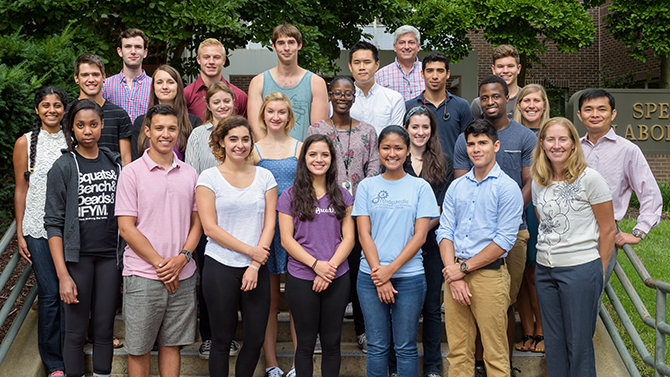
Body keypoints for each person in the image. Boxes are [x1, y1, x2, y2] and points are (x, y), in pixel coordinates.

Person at [453, 75, 536, 375]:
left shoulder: (525, 137)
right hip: (473, 235)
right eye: (485, 97)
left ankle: (502, 364)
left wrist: (510, 214)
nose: (490, 102)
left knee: (504, 299)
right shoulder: (467, 137)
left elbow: (530, 181)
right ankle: (477, 363)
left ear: (506, 99)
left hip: (512, 231)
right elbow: (462, 185)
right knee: (474, 307)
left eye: (496, 97)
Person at [115, 104, 201, 377]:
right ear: (148, 131)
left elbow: (197, 222)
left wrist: (182, 258)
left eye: (172, 128)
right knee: (138, 348)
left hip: (183, 275)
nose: (166, 134)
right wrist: (162, 265)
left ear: (179, 132)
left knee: (171, 345)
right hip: (143, 275)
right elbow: (126, 228)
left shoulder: (190, 173)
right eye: (160, 128)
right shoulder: (131, 173)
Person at [436, 118, 523, 377]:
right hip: (455, 273)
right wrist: (454, 273)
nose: (476, 148)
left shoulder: (507, 188)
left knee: (494, 353)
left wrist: (461, 269)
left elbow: (504, 241)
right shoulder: (457, 186)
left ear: (495, 146)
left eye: (482, 143)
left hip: (489, 276)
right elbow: (445, 231)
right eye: (471, 143)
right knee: (458, 352)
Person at [531, 117, 616, 376]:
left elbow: (608, 229)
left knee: (578, 344)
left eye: (563, 139)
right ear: (542, 144)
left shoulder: (590, 178)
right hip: (545, 270)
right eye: (550, 139)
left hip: (580, 269)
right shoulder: (539, 181)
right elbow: (544, 223)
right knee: (554, 343)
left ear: (572, 144)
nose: (556, 145)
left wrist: (598, 270)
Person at [352, 126, 439, 377]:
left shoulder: (420, 187)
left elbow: (420, 236)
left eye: (399, 148)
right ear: (378, 150)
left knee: (406, 347)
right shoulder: (367, 187)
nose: (392, 153)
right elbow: (363, 234)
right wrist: (380, 274)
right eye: (386, 148)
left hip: (410, 277)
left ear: (408, 150)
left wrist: (389, 271)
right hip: (371, 278)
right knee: (377, 347)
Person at [44, 99, 122, 377]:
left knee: (104, 328)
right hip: (78, 259)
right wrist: (63, 275)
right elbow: (53, 225)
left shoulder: (116, 163)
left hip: (109, 258)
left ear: (102, 125)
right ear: (71, 128)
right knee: (75, 332)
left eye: (93, 124)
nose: (87, 131)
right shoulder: (63, 166)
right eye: (80, 125)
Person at [195, 115, 277, 377]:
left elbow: (269, 224)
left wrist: (254, 263)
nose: (240, 145)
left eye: (245, 139)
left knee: (254, 340)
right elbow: (210, 228)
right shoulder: (209, 178)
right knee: (221, 341)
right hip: (220, 266)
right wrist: (250, 251)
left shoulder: (265, 176)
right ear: (221, 141)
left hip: (256, 268)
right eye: (233, 139)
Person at [307, 75, 380, 354]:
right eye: (337, 93)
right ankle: (314, 332)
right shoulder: (317, 128)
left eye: (348, 93)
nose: (342, 97)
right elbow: (312, 163)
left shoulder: (368, 131)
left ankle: (361, 330)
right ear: (329, 95)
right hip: (324, 211)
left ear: (354, 97)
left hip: (358, 211)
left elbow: (374, 169)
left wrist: (353, 197)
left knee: (358, 270)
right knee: (324, 268)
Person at [278, 134, 355, 377]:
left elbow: (350, 238)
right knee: (305, 344)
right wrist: (315, 265)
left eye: (325, 154)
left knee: (332, 342)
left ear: (332, 159)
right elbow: (286, 240)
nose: (318, 159)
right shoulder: (289, 196)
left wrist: (328, 268)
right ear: (304, 159)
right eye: (312, 154)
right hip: (301, 277)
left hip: (337, 277)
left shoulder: (343, 195)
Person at [577, 89, 662, 284]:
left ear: (613, 114)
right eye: (588, 109)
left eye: (602, 109)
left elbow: (650, 193)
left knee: (592, 291)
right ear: (580, 115)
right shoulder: (573, 148)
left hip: (604, 233)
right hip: (571, 230)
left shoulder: (628, 150)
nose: (595, 114)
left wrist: (639, 231)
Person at [13, 86, 69, 377]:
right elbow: (21, 189)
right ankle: (54, 363)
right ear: (37, 109)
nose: (51, 110)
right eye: (45, 105)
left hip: (68, 228)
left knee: (69, 291)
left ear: (64, 108)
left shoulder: (71, 137)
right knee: (49, 293)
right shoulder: (25, 142)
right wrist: (21, 232)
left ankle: (68, 351)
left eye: (57, 105)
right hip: (36, 228)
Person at [185, 81, 238, 359]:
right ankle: (209, 337)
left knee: (235, 280)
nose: (222, 106)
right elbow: (192, 177)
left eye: (226, 102)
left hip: (238, 219)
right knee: (211, 281)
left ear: (234, 103)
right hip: (208, 220)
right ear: (208, 105)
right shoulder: (197, 135)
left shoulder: (242, 133)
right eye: (216, 102)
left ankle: (229, 336)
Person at [251, 92, 301, 377]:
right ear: (264, 115)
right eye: (271, 111)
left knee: (296, 302)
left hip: (295, 231)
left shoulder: (301, 147)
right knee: (269, 302)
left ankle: (297, 363)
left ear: (289, 116)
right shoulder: (254, 150)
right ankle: (271, 363)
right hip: (266, 230)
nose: (276, 117)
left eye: (281, 111)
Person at [402, 106, 453, 377]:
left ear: (432, 130)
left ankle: (432, 365)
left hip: (432, 246)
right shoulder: (397, 159)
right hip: (399, 247)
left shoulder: (443, 161)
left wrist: (419, 231)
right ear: (406, 128)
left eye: (425, 127)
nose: (420, 132)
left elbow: (443, 206)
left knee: (432, 307)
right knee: (402, 309)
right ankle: (400, 363)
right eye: (415, 127)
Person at [512, 84, 550, 353]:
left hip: (541, 209)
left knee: (536, 272)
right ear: (518, 105)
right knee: (520, 273)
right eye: (526, 100)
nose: (531, 105)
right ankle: (526, 330)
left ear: (545, 104)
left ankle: (542, 329)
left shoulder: (553, 133)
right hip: (515, 207)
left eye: (537, 100)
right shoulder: (511, 134)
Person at [247, 23, 329, 141]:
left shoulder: (316, 83)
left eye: (291, 42)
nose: (286, 48)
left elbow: (317, 130)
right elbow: (256, 128)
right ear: (274, 46)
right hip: (268, 156)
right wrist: (268, 155)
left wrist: (303, 155)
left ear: (299, 45)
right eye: (281, 43)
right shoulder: (258, 82)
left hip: (303, 155)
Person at [405, 52, 473, 159]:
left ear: (448, 74)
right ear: (422, 74)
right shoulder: (409, 106)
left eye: (440, 71)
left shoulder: (462, 106)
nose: (435, 76)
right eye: (430, 71)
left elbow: (469, 143)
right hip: (418, 170)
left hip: (452, 171)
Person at [72, 53, 132, 165]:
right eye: (85, 75)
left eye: (95, 74)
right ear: (76, 78)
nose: (91, 79)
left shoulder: (119, 115)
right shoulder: (67, 113)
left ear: (103, 77)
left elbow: (126, 161)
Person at [133, 64, 201, 161]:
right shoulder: (140, 123)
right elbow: (135, 161)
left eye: (170, 82)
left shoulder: (193, 122)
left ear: (178, 86)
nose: (164, 87)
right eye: (159, 82)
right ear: (153, 87)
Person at [348, 41, 405, 137]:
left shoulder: (394, 98)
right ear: (350, 66)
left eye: (367, 62)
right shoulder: (340, 99)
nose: (362, 67)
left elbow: (397, 137)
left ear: (377, 65)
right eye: (357, 62)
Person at [184, 38, 248, 122]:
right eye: (206, 57)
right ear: (198, 60)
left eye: (216, 57)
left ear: (223, 61)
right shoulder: (186, 95)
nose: (211, 62)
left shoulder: (240, 96)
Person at [102, 28, 152, 123]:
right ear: (120, 51)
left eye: (138, 47)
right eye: (128, 46)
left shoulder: (155, 86)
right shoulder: (105, 85)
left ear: (145, 52)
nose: (133, 51)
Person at [471, 45, 522, 120]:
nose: (505, 71)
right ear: (493, 69)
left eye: (510, 66)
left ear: (518, 69)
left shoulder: (527, 99)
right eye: (500, 67)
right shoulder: (479, 104)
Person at [375, 25, 425, 101]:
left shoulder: (429, 72)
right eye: (402, 42)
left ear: (418, 47)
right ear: (395, 47)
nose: (407, 47)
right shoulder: (380, 75)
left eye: (411, 42)